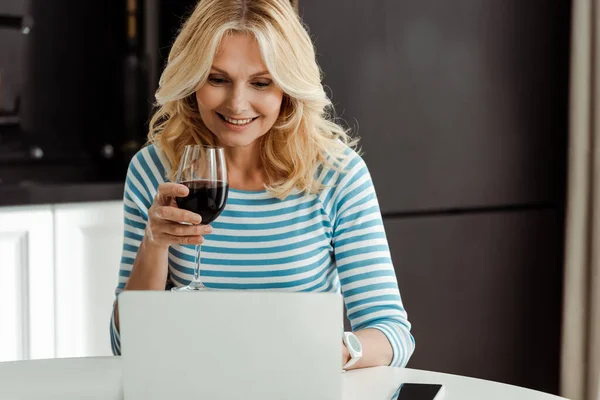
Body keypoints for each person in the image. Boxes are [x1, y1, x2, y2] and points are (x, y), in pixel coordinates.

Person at [110, 0, 415, 370]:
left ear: (288, 87)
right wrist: (154, 244)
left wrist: (338, 351)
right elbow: (126, 344)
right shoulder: (154, 170)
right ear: (192, 81)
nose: (238, 104)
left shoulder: (337, 175)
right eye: (217, 79)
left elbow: (393, 334)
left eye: (261, 83)